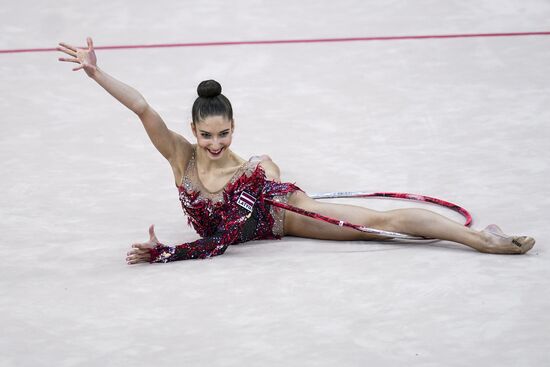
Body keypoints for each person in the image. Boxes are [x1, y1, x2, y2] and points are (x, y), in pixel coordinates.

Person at [57, 37, 536, 264]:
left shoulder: (245, 171)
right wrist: (97, 74)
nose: (216, 145)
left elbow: (220, 240)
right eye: (207, 136)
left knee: (376, 228)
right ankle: (476, 236)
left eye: (224, 134)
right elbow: (143, 109)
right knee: (374, 233)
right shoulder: (179, 156)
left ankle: (481, 239)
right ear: (194, 132)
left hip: (281, 212)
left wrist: (167, 253)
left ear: (232, 128)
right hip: (261, 204)